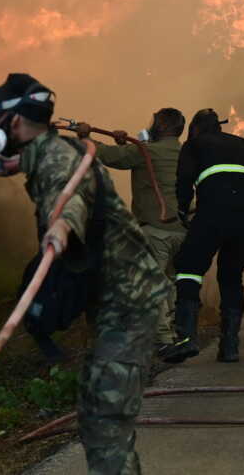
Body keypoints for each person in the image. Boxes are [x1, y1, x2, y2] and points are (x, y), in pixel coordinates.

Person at [0, 73, 167, 474]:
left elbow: (70, 197)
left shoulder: (61, 163)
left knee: (105, 418)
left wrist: (60, 230)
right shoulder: (50, 150)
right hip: (109, 293)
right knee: (95, 407)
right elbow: (47, 163)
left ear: (12, 123)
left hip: (130, 300)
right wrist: (10, 163)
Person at [165, 108, 244, 364]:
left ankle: (186, 339)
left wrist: (182, 211)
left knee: (188, 267)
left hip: (212, 214)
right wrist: (243, 198)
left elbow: (183, 181)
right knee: (231, 275)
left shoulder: (193, 145)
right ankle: (229, 347)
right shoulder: (243, 144)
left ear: (195, 128)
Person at [78, 109, 187, 358]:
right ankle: (178, 334)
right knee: (172, 283)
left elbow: (105, 155)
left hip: (156, 230)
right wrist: (127, 141)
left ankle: (165, 340)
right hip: (183, 231)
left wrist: (84, 136)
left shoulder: (146, 151)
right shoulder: (184, 153)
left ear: (161, 125)